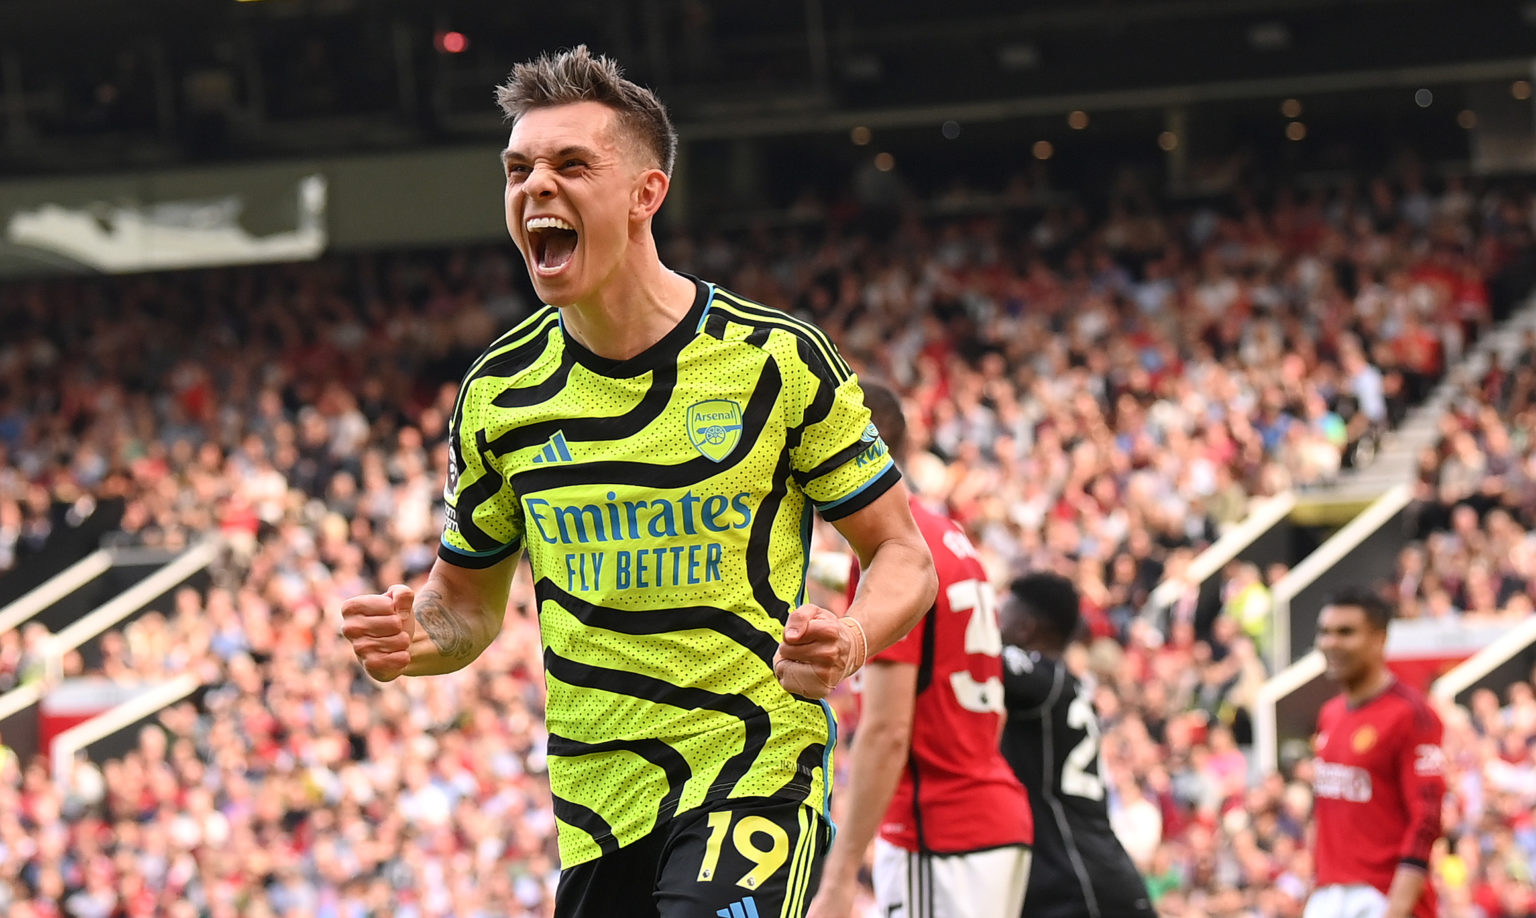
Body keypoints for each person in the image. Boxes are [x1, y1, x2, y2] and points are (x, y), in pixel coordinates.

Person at [338, 45, 938, 918]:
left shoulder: (777, 361)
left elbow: (905, 559)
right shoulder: (498, 396)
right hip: (597, 809)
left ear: (645, 193)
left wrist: (847, 640)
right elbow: (464, 609)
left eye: (572, 164)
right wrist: (413, 638)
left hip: (753, 767)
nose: (535, 186)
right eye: (518, 170)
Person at [806, 384, 1032, 918]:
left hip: (939, 831)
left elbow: (887, 731)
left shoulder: (892, 561)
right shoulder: (946, 536)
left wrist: (839, 879)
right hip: (983, 818)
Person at [997, 572, 1156, 918]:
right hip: (1090, 876)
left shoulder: (1042, 679)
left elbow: (975, 656)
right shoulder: (1063, 684)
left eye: (1002, 614)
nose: (994, 623)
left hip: (1077, 884)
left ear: (1026, 628)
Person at [1307, 587, 1445, 918]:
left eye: (1346, 632)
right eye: (1324, 632)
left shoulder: (1411, 714)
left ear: (1378, 639)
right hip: (1330, 895)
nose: (1331, 643)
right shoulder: (1330, 713)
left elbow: (1427, 818)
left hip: (1381, 896)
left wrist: (1396, 907)